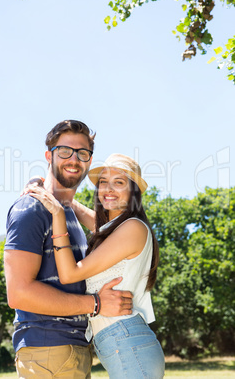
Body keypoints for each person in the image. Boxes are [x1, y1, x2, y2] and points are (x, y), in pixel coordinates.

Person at [4, 120, 133, 379]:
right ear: (48, 155)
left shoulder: (66, 212)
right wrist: (96, 304)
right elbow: (18, 293)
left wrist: (64, 201)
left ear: (89, 160)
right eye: (64, 151)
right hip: (47, 351)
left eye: (82, 153)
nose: (73, 159)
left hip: (72, 351)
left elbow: (114, 227)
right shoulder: (31, 209)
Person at [28, 153, 165, 378]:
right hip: (124, 343)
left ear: (133, 192)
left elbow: (70, 274)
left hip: (128, 343)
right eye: (103, 182)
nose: (108, 189)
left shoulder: (132, 229)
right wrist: (40, 184)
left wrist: (58, 214)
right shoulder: (115, 229)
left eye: (119, 182)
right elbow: (81, 210)